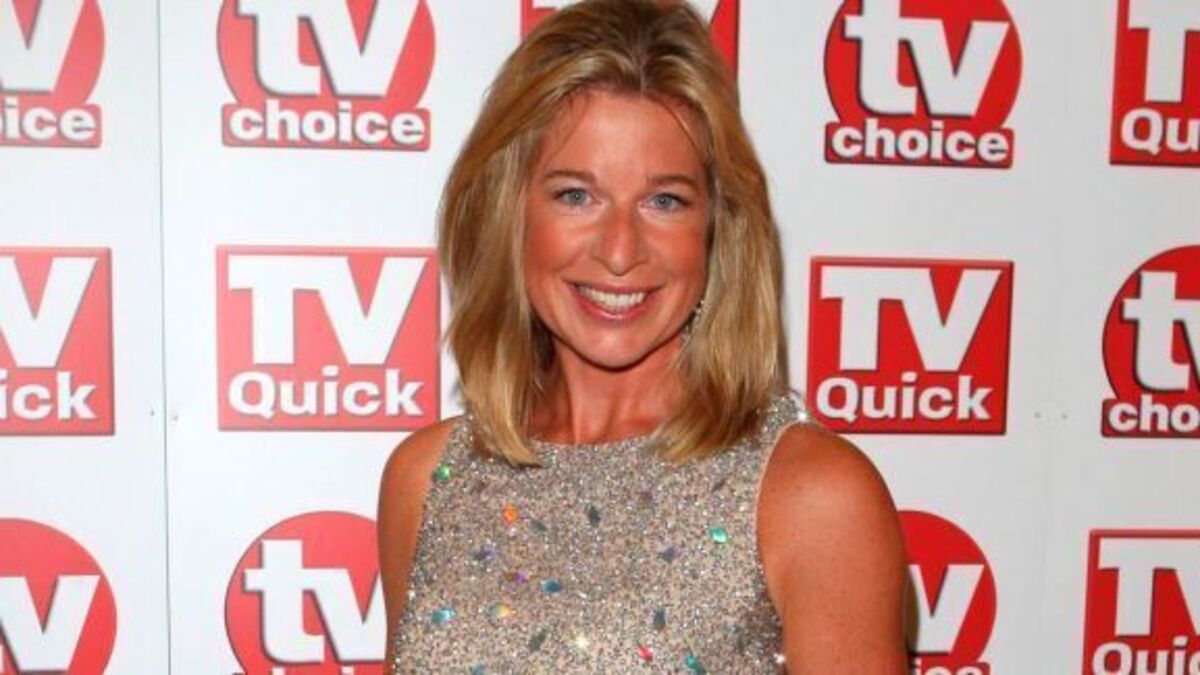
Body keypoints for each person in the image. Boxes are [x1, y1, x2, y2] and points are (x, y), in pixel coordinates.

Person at [377, 0, 907, 672]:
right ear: (509, 212)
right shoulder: (425, 478)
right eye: (576, 195)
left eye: (665, 201)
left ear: (716, 230)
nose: (620, 250)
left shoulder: (812, 495)